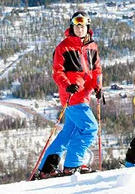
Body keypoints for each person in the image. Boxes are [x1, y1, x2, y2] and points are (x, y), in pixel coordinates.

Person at [37, 11, 103, 178]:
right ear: (72, 27)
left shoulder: (92, 46)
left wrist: (98, 87)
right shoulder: (63, 47)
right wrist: (67, 86)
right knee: (90, 128)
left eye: (82, 26)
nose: (79, 29)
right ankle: (73, 165)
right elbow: (57, 72)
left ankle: (47, 168)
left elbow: (96, 70)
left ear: (88, 27)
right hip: (73, 97)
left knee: (69, 133)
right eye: (76, 25)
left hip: (85, 95)